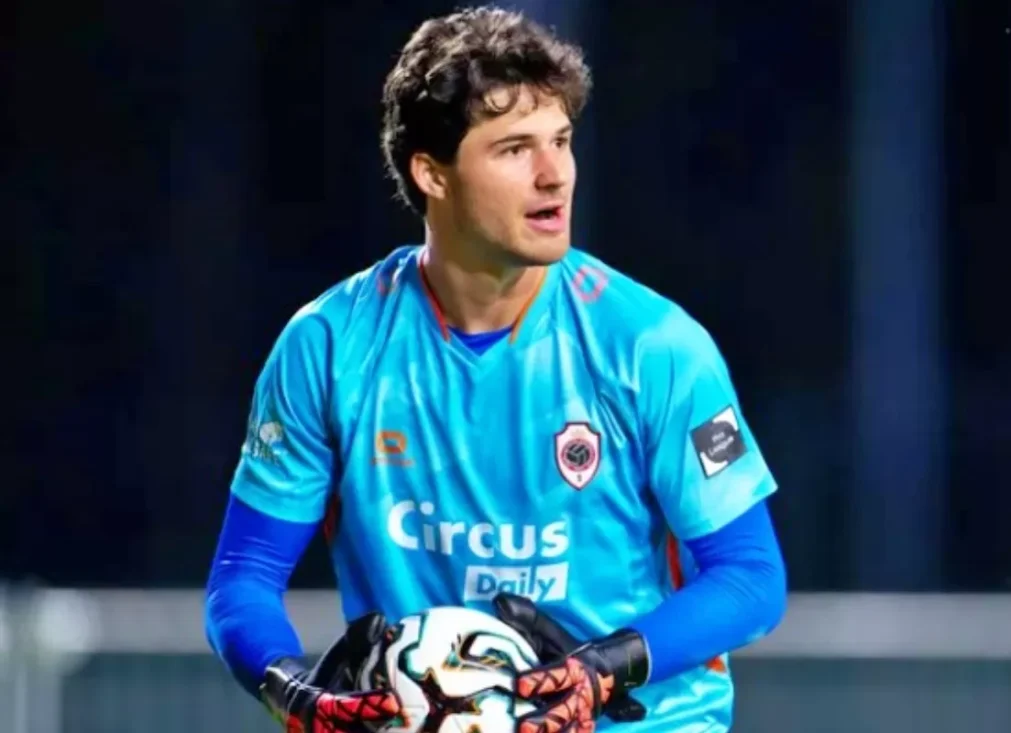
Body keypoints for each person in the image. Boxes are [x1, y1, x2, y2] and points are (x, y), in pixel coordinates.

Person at [205, 6, 788, 732]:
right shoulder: (327, 347)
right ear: (432, 173)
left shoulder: (654, 346)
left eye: (561, 141)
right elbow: (243, 581)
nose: (554, 175)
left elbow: (751, 577)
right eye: (514, 149)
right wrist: (289, 687)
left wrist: (604, 667)